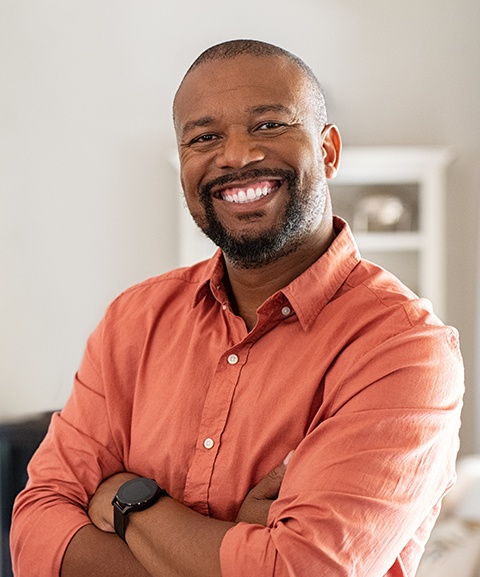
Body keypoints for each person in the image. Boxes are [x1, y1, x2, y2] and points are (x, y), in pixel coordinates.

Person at [11, 39, 464, 577]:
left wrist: (130, 503)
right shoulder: (133, 320)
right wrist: (238, 548)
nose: (236, 155)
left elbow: (302, 569)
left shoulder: (405, 349)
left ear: (329, 152)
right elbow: (36, 531)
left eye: (269, 125)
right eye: (204, 137)